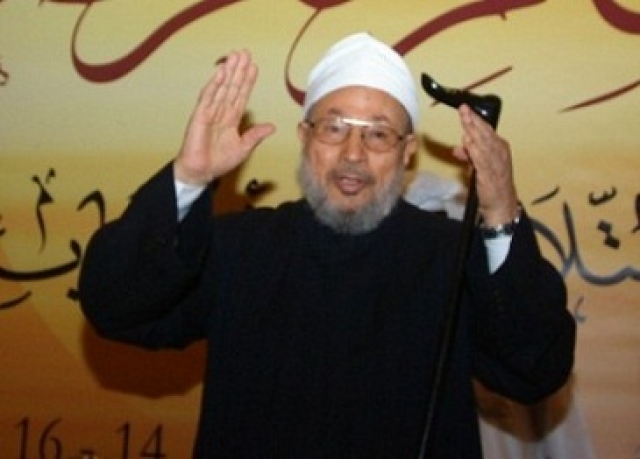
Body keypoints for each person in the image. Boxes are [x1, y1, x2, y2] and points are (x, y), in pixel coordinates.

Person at [79, 32, 576, 458]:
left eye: (378, 135)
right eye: (334, 129)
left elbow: (535, 369)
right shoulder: (240, 249)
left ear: (407, 153)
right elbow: (115, 307)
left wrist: (500, 211)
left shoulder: (450, 258)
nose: (352, 154)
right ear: (304, 137)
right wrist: (189, 177)